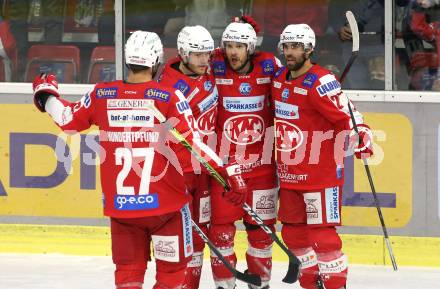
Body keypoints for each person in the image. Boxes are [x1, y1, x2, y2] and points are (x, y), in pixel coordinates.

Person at [32, 30, 248, 289]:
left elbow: (66, 119)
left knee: (128, 276)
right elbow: (195, 145)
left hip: (123, 210)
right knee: (172, 276)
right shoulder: (168, 97)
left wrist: (46, 95)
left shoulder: (102, 95)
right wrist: (228, 173)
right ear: (157, 61)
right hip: (166, 209)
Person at [272, 24, 373, 289]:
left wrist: (361, 135)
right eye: (287, 46)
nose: (290, 52)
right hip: (290, 173)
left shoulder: (321, 81)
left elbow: (349, 116)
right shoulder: (279, 79)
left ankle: (335, 285)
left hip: (321, 175)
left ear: (309, 49)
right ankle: (311, 282)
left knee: (323, 239)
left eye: (296, 47)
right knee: (293, 235)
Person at [209, 16, 281, 289]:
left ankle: (259, 285)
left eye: (239, 46)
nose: (233, 52)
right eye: (229, 45)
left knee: (261, 236)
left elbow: (290, 87)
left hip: (262, 169)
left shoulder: (269, 65)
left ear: (250, 47)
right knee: (221, 235)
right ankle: (225, 286)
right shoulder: (214, 66)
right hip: (224, 170)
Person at [157, 25, 218, 289]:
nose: (204, 60)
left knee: (200, 233)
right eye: (198, 55)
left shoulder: (207, 70)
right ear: (183, 53)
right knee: (180, 236)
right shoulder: (169, 87)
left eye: (207, 54)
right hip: (179, 170)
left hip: (205, 168)